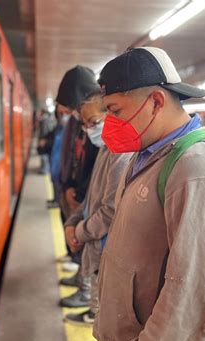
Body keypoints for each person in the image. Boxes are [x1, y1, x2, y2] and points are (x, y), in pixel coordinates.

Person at [93, 47, 205, 341]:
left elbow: (195, 289)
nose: (109, 123)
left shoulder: (202, 168)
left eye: (115, 110)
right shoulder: (146, 154)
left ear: (155, 102)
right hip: (122, 340)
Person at [63, 93, 133, 327]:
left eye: (93, 122)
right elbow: (92, 196)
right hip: (95, 242)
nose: (88, 129)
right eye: (85, 124)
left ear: (110, 116)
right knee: (97, 295)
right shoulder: (106, 149)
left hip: (104, 246)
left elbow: (110, 210)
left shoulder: (121, 154)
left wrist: (78, 232)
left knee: (103, 306)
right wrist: (71, 223)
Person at [55, 66, 100, 306]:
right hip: (79, 192)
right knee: (81, 244)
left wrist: (80, 191)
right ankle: (82, 281)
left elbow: (92, 166)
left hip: (88, 196)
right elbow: (73, 156)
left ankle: (86, 292)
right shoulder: (79, 121)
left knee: (89, 246)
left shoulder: (98, 127)